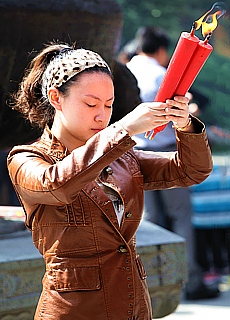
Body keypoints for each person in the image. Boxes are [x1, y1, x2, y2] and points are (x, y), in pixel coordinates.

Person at [7, 41, 213, 319]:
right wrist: (123, 128)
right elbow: (58, 185)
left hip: (133, 303)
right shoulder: (26, 159)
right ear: (56, 98)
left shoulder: (122, 158)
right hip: (74, 311)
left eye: (109, 104)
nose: (102, 115)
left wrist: (185, 125)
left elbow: (192, 170)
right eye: (91, 103)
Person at [126, 26, 220, 300]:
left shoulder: (124, 72)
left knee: (149, 222)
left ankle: (152, 284)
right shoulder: (162, 75)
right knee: (180, 218)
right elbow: (184, 110)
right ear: (163, 50)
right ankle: (188, 281)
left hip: (135, 155)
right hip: (168, 154)